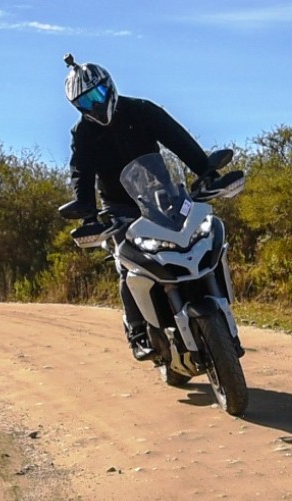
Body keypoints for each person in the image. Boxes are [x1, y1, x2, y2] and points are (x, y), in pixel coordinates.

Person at [58, 53, 227, 361]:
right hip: (118, 207)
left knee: (204, 235)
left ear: (109, 86)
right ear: (76, 107)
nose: (94, 104)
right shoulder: (82, 133)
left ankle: (215, 303)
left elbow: (178, 139)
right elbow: (80, 171)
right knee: (127, 261)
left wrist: (205, 169)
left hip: (164, 197)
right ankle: (138, 331)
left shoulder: (141, 110)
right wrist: (86, 209)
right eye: (84, 102)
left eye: (96, 94)